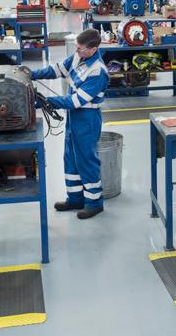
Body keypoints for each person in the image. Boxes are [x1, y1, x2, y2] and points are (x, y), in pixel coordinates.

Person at [31, 29, 109, 219]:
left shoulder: (98, 71)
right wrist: (31, 74)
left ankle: (94, 203)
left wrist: (47, 102)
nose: (77, 52)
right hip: (74, 117)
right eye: (76, 48)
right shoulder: (78, 56)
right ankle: (75, 199)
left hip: (87, 118)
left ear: (93, 49)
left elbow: (76, 100)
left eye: (81, 49)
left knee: (86, 160)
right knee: (70, 158)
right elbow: (56, 70)